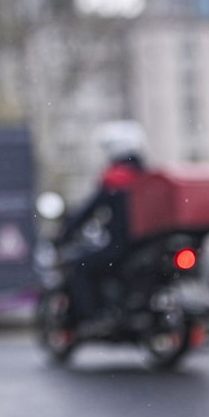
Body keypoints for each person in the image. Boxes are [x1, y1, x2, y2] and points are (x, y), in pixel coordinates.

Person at [55, 121, 148, 326]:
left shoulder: (117, 178)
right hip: (145, 247)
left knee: (79, 265)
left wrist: (66, 230)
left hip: (121, 248)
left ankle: (94, 318)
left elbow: (89, 210)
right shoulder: (147, 176)